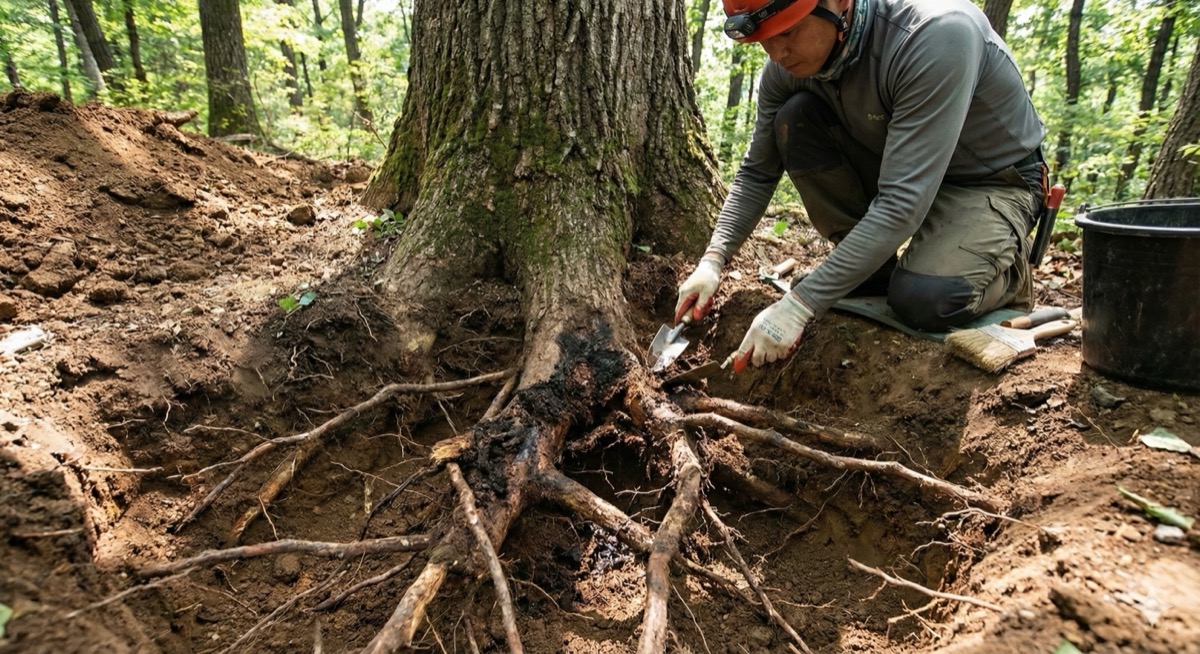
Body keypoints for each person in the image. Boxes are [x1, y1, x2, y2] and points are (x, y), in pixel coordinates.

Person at [675, 0, 1047, 371]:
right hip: (898, 168)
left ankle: (1007, 271)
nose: (777, 52)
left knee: (926, 300)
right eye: (764, 39)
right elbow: (757, 172)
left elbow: (901, 203)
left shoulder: (934, 34)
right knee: (795, 118)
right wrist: (713, 260)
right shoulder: (785, 70)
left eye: (788, 31)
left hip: (990, 181)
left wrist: (800, 304)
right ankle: (873, 270)